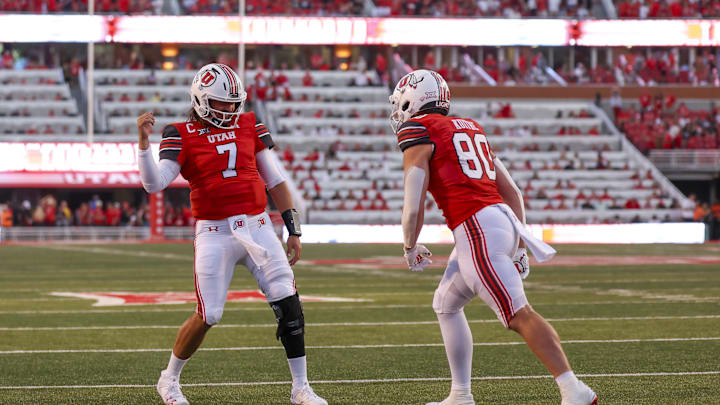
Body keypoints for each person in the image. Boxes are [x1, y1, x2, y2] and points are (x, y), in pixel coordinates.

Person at [389, 69, 597, 405]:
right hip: (499, 219)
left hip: (475, 227)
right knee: (446, 303)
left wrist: (409, 245)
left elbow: (413, 202)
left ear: (414, 99)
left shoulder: (419, 128)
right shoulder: (471, 127)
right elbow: (513, 192)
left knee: (518, 314)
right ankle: (460, 395)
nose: (399, 110)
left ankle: (575, 390)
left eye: (401, 102)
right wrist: (518, 247)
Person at [136, 63, 326, 405]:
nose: (229, 109)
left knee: (289, 302)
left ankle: (301, 387)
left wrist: (293, 229)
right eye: (222, 103)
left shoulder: (249, 123)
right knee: (210, 314)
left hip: (257, 225)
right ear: (201, 99)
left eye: (233, 103)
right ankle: (169, 379)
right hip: (214, 231)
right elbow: (154, 184)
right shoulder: (179, 132)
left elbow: (276, 180)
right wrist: (143, 148)